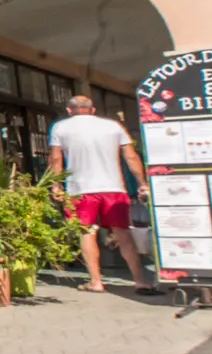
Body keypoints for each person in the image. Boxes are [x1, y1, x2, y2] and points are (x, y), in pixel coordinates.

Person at [47, 95, 158, 294]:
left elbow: (56, 158)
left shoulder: (60, 127)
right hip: (113, 188)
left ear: (69, 110)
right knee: (123, 233)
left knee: (87, 232)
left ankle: (96, 281)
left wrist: (56, 185)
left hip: (80, 189)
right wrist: (142, 184)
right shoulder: (113, 126)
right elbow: (131, 157)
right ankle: (140, 280)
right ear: (93, 110)